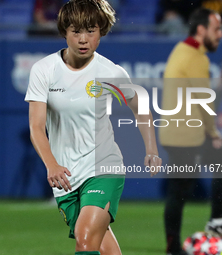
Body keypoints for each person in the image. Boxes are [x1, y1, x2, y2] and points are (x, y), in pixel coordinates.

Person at [25, 0, 162, 254]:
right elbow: (36, 126)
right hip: (65, 177)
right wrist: (51, 164)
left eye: (91, 30)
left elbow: (140, 109)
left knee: (85, 238)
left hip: (103, 166)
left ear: (102, 31)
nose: (83, 39)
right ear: (65, 31)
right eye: (76, 31)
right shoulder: (44, 70)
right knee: (101, 246)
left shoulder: (111, 72)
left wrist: (151, 149)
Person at [159, 8, 222, 255]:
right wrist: (214, 134)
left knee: (219, 164)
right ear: (201, 30)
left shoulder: (183, 50)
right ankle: (176, 246)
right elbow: (203, 101)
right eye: (216, 29)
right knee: (180, 190)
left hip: (179, 134)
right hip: (186, 137)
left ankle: (208, 225)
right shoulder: (195, 57)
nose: (220, 34)